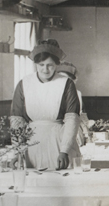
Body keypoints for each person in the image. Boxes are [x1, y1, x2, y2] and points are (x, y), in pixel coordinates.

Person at [10, 39, 81, 170]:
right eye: (41, 65)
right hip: (32, 144)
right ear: (35, 64)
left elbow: (72, 120)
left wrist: (64, 150)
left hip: (59, 141)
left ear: (57, 64)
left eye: (50, 65)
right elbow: (17, 120)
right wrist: (18, 150)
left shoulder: (66, 83)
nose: (45, 69)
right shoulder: (24, 83)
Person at [57, 61, 88, 147]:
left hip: (74, 132)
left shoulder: (77, 93)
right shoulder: (52, 93)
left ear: (73, 81)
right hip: (57, 132)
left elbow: (81, 116)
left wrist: (86, 132)